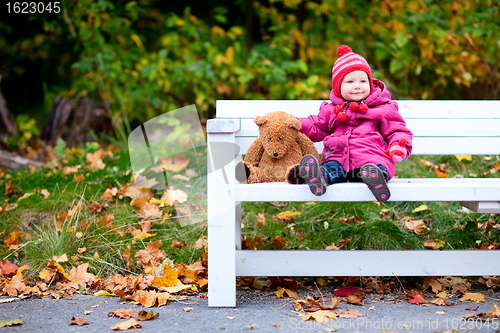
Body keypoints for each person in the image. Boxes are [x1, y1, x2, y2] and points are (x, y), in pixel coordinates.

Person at [298, 45, 413, 202]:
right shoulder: (331, 110)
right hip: (338, 159)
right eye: (350, 81)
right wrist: (297, 124)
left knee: (376, 167)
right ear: (338, 87)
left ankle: (376, 179)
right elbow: (317, 127)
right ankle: (318, 177)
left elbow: (397, 130)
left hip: (371, 157)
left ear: (370, 83)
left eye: (363, 80)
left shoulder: (382, 108)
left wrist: (398, 146)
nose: (357, 85)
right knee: (331, 169)